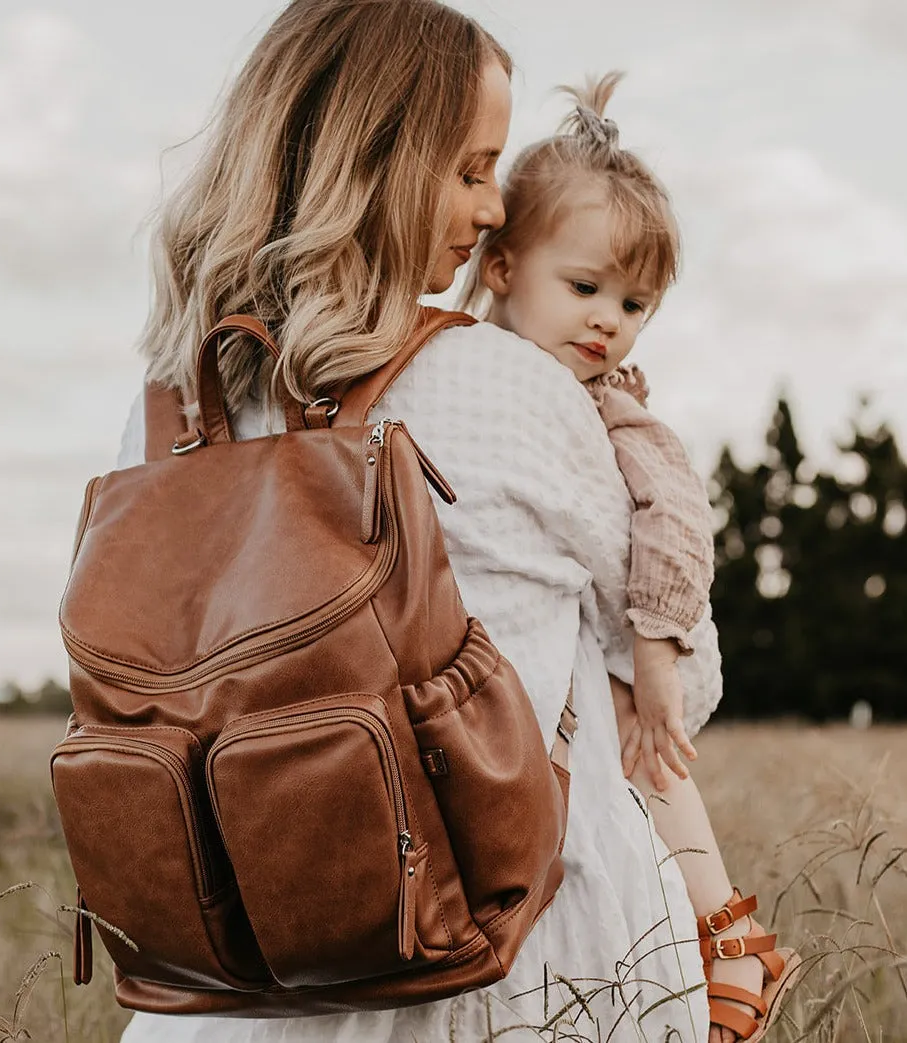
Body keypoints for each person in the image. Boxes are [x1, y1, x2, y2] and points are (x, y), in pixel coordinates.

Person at [113, 1, 727, 1039]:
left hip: (240, 957)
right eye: (472, 168)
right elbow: (673, 680)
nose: (493, 209)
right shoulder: (512, 383)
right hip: (507, 952)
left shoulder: (173, 398)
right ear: (380, 163)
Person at [454, 71, 800, 1042]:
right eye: (584, 288)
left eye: (634, 302)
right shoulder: (468, 373)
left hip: (614, 644)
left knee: (643, 732)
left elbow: (678, 520)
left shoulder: (615, 410)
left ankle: (727, 927)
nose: (608, 320)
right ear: (499, 267)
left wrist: (654, 644)